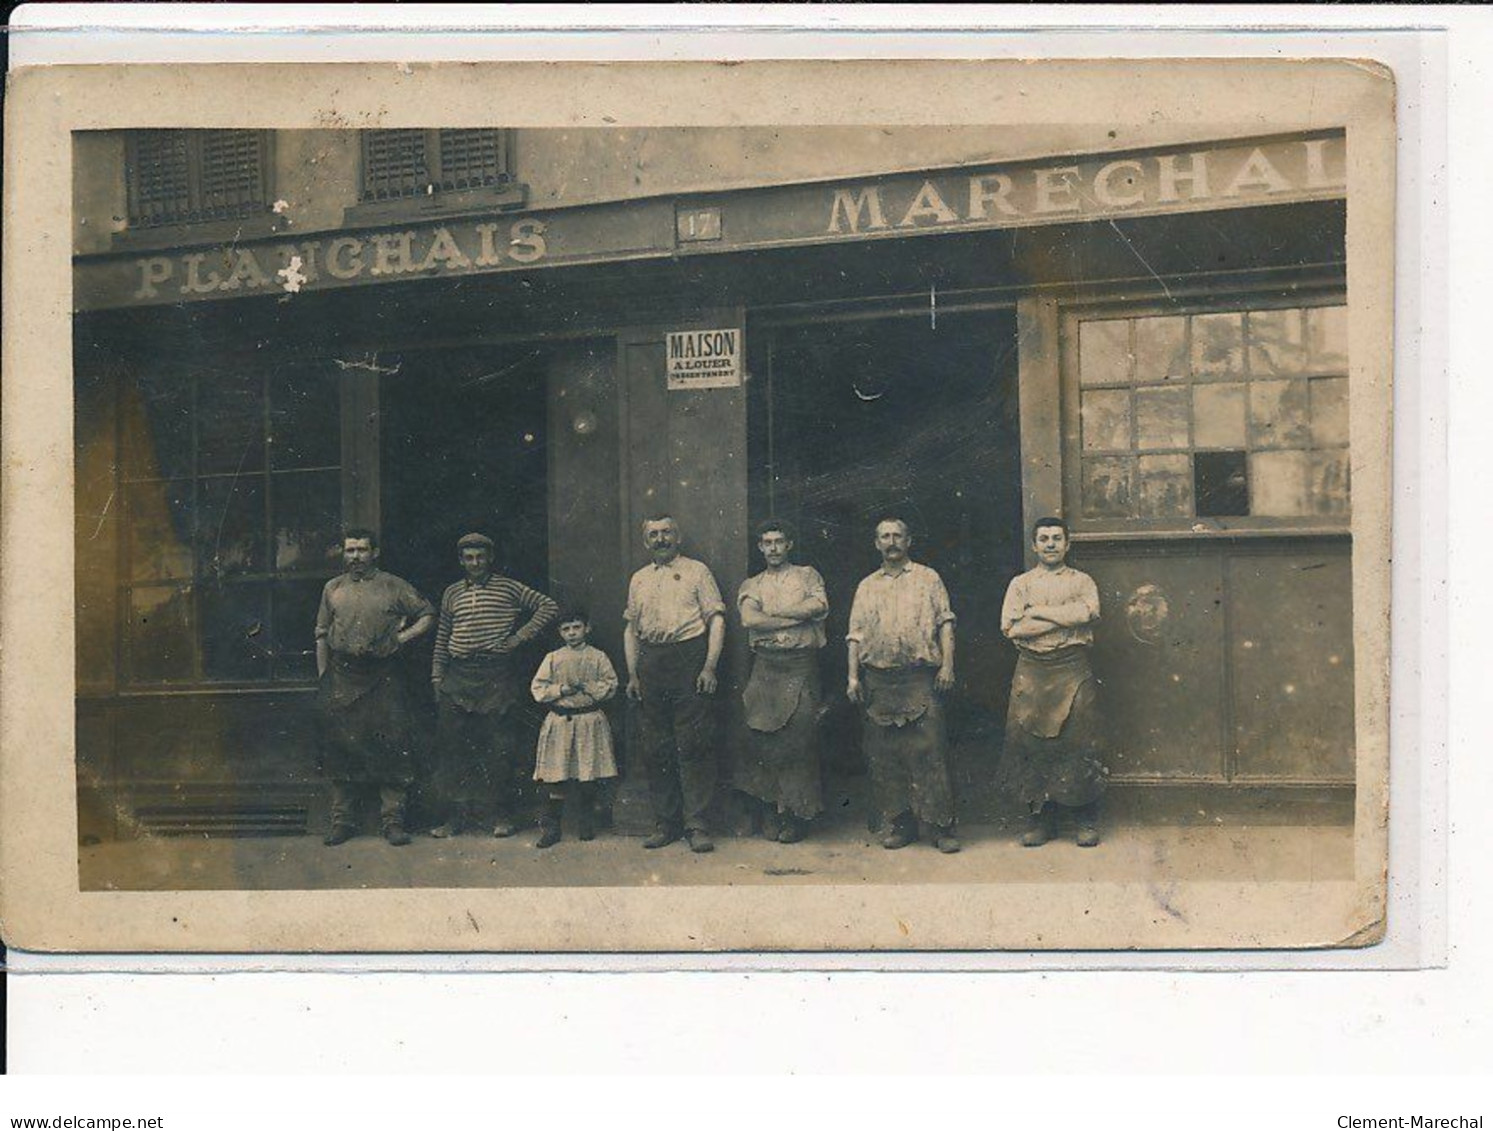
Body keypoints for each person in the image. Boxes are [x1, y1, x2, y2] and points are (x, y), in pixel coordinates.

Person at [428, 532, 559, 839]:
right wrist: (437, 676)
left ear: (490, 558)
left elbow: (548, 606)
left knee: (497, 747)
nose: (475, 563)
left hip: (495, 675)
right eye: (469, 558)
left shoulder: (508, 588)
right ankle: (455, 818)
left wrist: (517, 638)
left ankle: (499, 815)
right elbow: (443, 636)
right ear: (461, 561)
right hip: (457, 675)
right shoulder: (451, 593)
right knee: (453, 749)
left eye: (480, 557)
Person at [846, 518, 961, 854]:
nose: (892, 542)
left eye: (898, 536)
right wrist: (852, 677)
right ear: (876, 543)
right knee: (886, 757)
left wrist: (948, 666)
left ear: (909, 541)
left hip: (920, 677)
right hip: (879, 680)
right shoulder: (866, 586)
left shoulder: (928, 579)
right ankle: (901, 824)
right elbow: (855, 634)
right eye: (885, 537)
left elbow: (945, 623)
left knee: (930, 752)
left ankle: (941, 827)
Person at [315, 527, 435, 847]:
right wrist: (324, 676)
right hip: (342, 675)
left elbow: (426, 614)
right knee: (342, 747)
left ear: (375, 552)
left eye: (362, 550)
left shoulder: (393, 586)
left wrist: (402, 638)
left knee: (392, 745)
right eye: (350, 550)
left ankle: (392, 821)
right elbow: (322, 632)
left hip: (383, 674)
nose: (355, 557)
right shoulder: (333, 588)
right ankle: (342, 821)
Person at [999, 516, 1108, 848]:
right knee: (1031, 744)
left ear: (1067, 544)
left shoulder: (1082, 581)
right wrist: (1062, 616)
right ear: (1034, 545)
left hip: (1072, 669)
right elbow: (1012, 628)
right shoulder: (1020, 584)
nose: (1050, 544)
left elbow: (1088, 613)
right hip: (1032, 670)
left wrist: (1038, 613)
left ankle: (1084, 820)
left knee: (1079, 743)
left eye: (1056, 538)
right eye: (1043, 538)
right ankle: (1040, 821)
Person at [623, 514, 726, 853]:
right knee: (656, 747)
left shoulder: (697, 571)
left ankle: (697, 825)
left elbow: (716, 619)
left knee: (693, 744)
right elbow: (631, 629)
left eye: (667, 532)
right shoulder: (639, 578)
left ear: (678, 537)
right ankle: (665, 823)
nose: (661, 539)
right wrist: (633, 673)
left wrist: (709, 666)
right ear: (645, 541)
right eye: (654, 534)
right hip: (651, 663)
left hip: (689, 658)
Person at [736, 518, 828, 843]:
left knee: (797, 739)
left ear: (789, 545)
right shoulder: (752, 584)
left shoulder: (807, 575)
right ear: (760, 547)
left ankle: (796, 816)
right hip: (765, 669)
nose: (774, 548)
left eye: (779, 541)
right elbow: (749, 618)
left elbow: (818, 605)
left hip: (800, 665)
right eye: (767, 542)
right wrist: (793, 616)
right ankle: (767, 813)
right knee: (761, 738)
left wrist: (770, 619)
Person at [529, 607, 620, 848]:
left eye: (576, 627)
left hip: (588, 720)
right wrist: (561, 690)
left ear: (587, 628)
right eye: (566, 629)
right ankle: (551, 828)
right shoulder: (553, 658)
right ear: (560, 632)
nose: (572, 633)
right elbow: (538, 689)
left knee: (586, 774)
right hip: (560, 722)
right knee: (556, 775)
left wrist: (588, 686)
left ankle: (586, 823)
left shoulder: (597, 657)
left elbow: (610, 686)